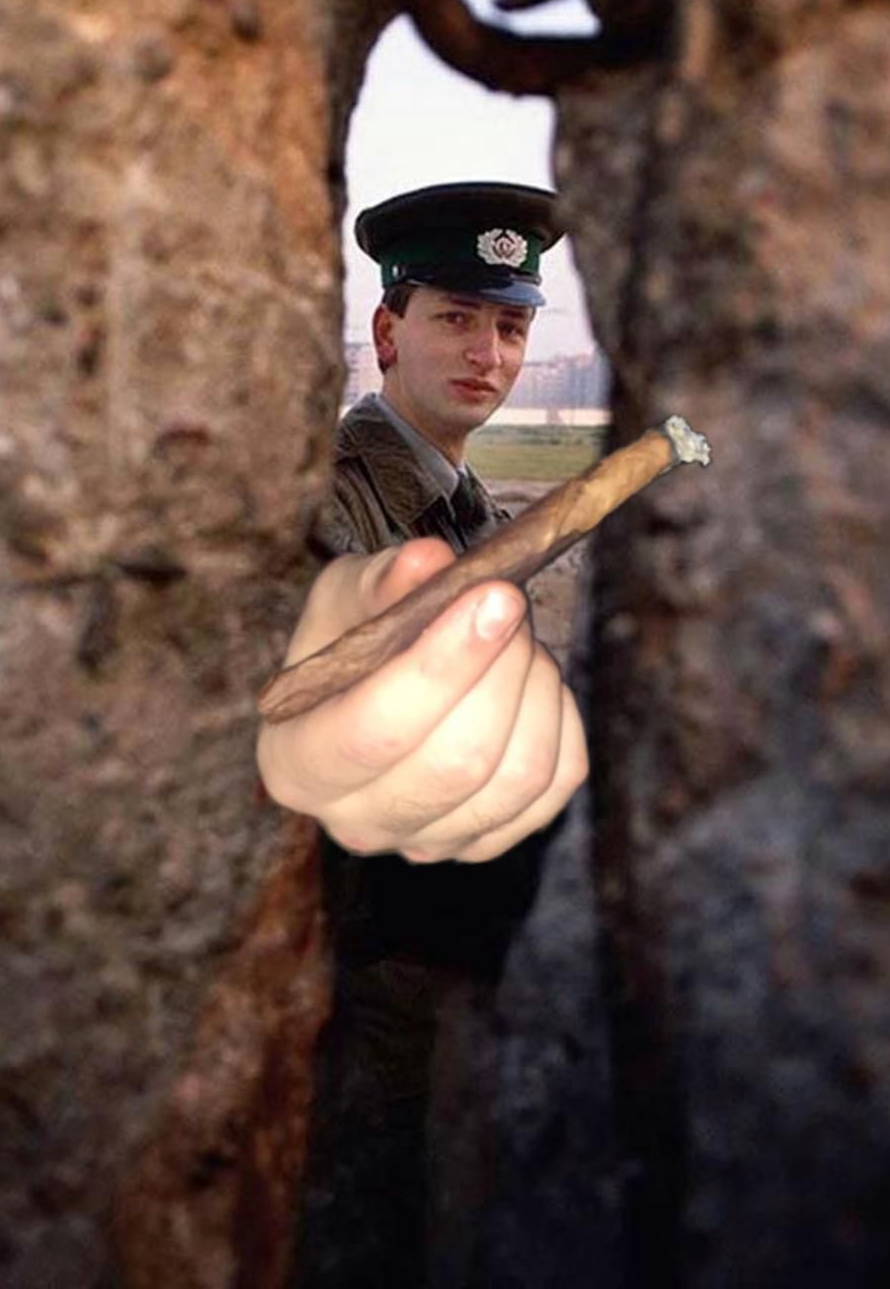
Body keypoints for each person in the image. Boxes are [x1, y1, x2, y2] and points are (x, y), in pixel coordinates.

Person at [257, 182, 590, 1285]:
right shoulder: (334, 501)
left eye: (510, 324)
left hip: (435, 967)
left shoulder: (473, 507)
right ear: (389, 331)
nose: (488, 352)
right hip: (358, 973)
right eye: (455, 317)